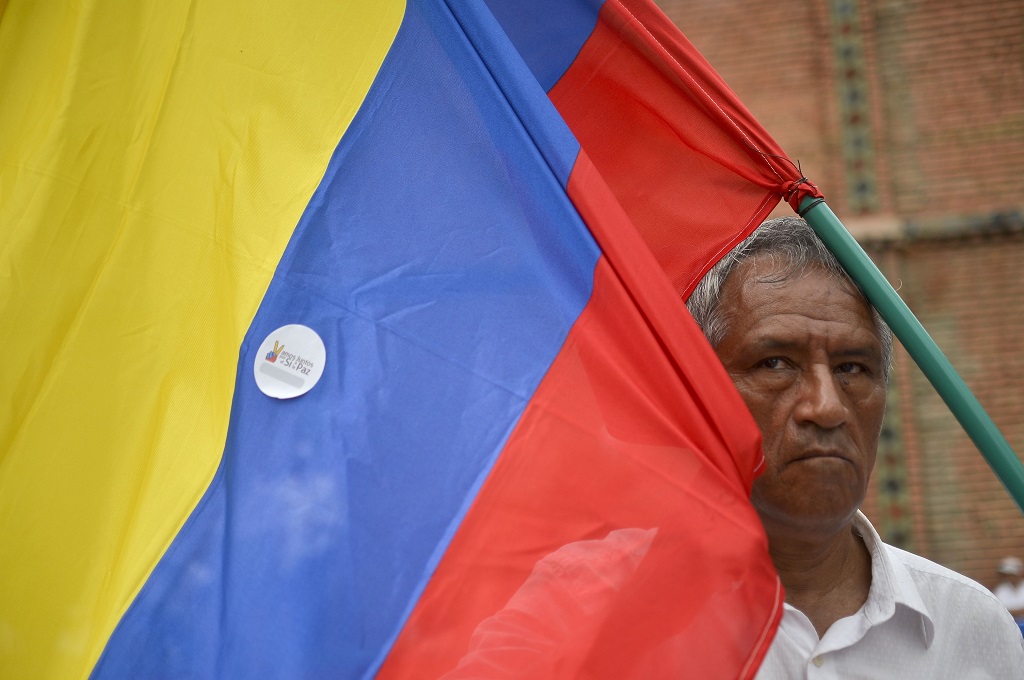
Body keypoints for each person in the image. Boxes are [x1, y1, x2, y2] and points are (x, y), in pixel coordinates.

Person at [687, 216, 1024, 678]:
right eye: (775, 363)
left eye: (852, 368)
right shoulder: (602, 620)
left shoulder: (974, 628)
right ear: (694, 389)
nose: (826, 408)